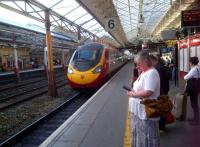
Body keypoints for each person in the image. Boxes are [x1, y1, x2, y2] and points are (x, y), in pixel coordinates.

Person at [127, 52, 160, 147]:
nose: (137, 67)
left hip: (146, 112)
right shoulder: (145, 72)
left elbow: (148, 92)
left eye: (138, 64)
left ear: (146, 61)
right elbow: (142, 89)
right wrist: (133, 91)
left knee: (147, 135)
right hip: (139, 112)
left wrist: (133, 94)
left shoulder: (152, 73)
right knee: (140, 135)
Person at [184, 56, 200, 125]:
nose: (189, 63)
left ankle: (196, 120)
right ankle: (195, 118)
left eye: (190, 62)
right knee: (195, 103)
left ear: (191, 63)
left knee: (194, 104)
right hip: (197, 87)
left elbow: (185, 77)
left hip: (193, 88)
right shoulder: (198, 68)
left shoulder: (193, 69)